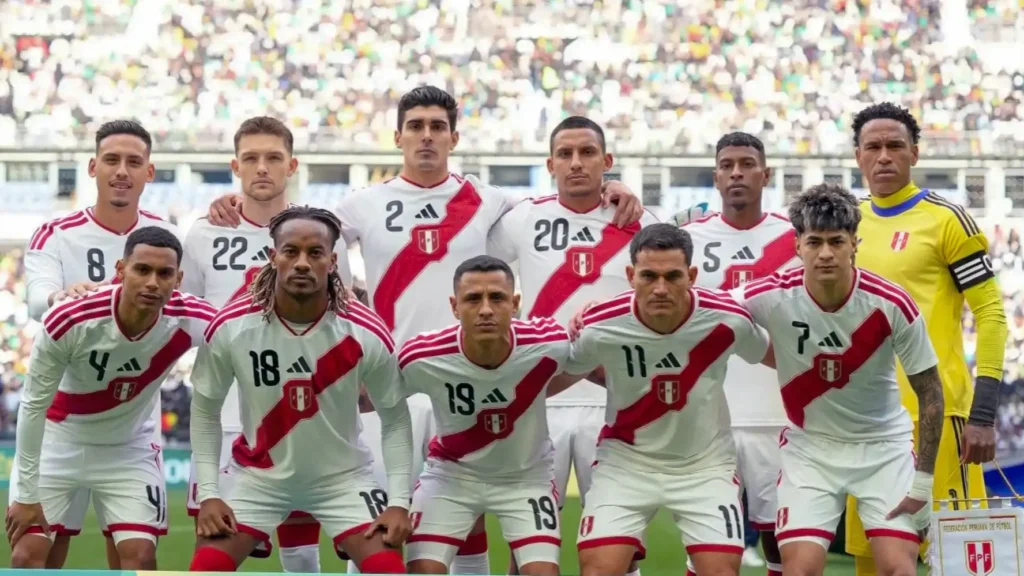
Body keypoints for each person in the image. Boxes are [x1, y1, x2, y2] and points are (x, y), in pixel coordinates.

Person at [206, 86, 642, 573]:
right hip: (392, 384)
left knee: (466, 520)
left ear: (454, 138)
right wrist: (242, 200)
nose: (427, 136)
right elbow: (297, 231)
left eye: (437, 126)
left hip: (464, 385)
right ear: (398, 137)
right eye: (416, 126)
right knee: (375, 530)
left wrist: (613, 191)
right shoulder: (363, 203)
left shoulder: (488, 200)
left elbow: (562, 204)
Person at [734, 184, 944, 576]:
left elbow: (930, 392)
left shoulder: (892, 302)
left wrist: (923, 483)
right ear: (798, 246)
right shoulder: (769, 295)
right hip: (811, 450)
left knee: (898, 569)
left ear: (854, 245)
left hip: (884, 449)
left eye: (836, 241)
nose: (826, 253)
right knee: (800, 570)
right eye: (814, 242)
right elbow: (706, 313)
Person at [187, 206, 411, 572]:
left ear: (333, 261)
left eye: (315, 253)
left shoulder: (366, 331)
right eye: (291, 251)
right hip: (257, 478)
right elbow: (204, 409)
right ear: (273, 256)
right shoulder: (232, 325)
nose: (302, 263)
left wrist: (399, 502)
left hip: (343, 479)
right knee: (206, 568)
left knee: (388, 569)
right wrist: (209, 494)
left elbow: (395, 418)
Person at [486, 115, 658, 575]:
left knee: (617, 547)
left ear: (607, 160)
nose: (576, 163)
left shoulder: (640, 222)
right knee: (529, 545)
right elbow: (471, 261)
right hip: (541, 398)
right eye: (565, 154)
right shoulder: (524, 218)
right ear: (550, 164)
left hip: (616, 401)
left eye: (587, 153)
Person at [180, 116, 354, 571]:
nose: (262, 167)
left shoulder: (318, 236)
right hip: (223, 416)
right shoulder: (203, 233)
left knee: (301, 553)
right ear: (235, 166)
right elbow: (188, 316)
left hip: (298, 414)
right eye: (251, 158)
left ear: (292, 165)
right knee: (214, 549)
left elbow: (343, 320)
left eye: (274, 158)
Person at [844, 102, 1007, 576]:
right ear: (858, 156)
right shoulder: (846, 226)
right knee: (876, 564)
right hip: (866, 424)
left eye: (895, 146)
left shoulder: (947, 220)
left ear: (914, 153)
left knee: (959, 562)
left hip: (938, 419)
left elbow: (991, 315)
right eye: (873, 147)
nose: (884, 156)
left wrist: (983, 414)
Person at [562, 223, 768, 576]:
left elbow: (775, 356)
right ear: (631, 276)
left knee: (720, 571)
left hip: (704, 466)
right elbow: (562, 371)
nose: (660, 288)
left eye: (672, 276)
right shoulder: (600, 325)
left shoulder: (728, 318)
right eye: (648, 276)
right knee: (598, 570)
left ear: (691, 276)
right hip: (626, 464)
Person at [6, 227, 216, 569]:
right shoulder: (69, 318)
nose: (152, 283)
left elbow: (243, 335)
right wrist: (27, 495)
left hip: (128, 449)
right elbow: (33, 405)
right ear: (120, 270)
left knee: (140, 557)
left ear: (178, 279)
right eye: (142, 270)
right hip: (57, 444)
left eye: (164, 274)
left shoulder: (195, 319)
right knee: (27, 556)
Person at [21, 119, 179, 569]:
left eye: (133, 162)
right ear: (93, 167)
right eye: (111, 160)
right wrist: (59, 296)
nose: (121, 171)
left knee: (135, 554)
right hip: (64, 419)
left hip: (131, 424)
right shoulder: (56, 231)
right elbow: (36, 300)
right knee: (34, 555)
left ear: (149, 171)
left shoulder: (167, 237)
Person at [399, 255, 572, 576]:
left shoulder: (550, 342)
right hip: (451, 478)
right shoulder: (422, 356)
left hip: (525, 478)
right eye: (473, 299)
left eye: (497, 298)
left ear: (515, 303)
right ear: (454, 306)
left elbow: (587, 360)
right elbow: (380, 402)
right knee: (423, 570)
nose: (486, 309)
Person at [680, 132, 798, 576]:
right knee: (709, 547)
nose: (736, 173)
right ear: (715, 177)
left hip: (779, 414)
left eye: (747, 164)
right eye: (727, 165)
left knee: (782, 544)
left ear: (766, 174)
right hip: (709, 415)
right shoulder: (687, 237)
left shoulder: (797, 237)